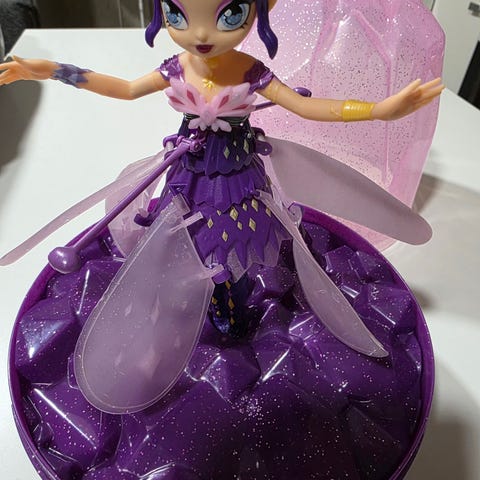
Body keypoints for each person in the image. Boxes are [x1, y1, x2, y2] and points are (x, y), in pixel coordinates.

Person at [0, 0, 441, 412]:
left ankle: (230, 314)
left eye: (228, 15)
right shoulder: (175, 68)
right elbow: (126, 88)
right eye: (177, 14)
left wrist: (377, 110)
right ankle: (188, 307)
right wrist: (50, 69)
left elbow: (307, 107)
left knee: (236, 250)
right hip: (190, 173)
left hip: (236, 180)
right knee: (184, 237)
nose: (200, 34)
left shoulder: (251, 72)